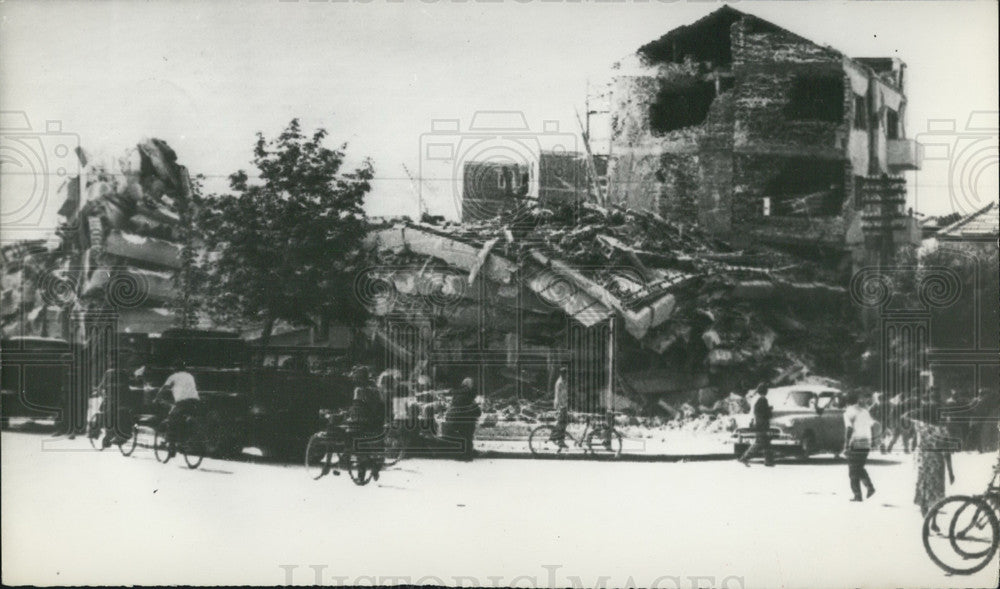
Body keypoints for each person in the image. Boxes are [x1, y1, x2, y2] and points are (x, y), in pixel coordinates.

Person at [908, 390, 956, 520]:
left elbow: (907, 418)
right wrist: (951, 472)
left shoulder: (920, 426)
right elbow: (947, 452)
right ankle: (933, 521)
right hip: (937, 460)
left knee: (924, 489)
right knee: (936, 492)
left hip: (923, 459)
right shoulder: (942, 430)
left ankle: (926, 521)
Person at [344, 365, 386, 480]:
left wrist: (349, 415)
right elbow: (382, 405)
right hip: (376, 421)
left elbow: (357, 406)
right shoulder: (376, 389)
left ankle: (361, 470)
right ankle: (374, 465)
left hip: (362, 421)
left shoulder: (359, 390)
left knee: (354, 440)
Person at [156, 360, 201, 459]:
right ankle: (183, 441)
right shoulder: (190, 376)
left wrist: (157, 397)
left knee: (172, 420)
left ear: (175, 368)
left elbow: (164, 388)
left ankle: (172, 447)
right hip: (195, 402)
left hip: (182, 402)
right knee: (183, 419)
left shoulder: (173, 376)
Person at [94, 363, 138, 448]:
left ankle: (107, 437)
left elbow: (101, 386)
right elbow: (131, 383)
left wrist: (99, 392)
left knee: (107, 415)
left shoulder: (108, 373)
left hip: (112, 400)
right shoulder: (124, 373)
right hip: (124, 400)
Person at [843, 391, 877, 501]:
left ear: (847, 402)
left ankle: (858, 495)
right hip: (866, 442)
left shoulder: (848, 412)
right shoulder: (865, 411)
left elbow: (849, 428)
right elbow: (872, 426)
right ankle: (869, 487)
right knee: (858, 467)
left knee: (853, 470)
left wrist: (846, 444)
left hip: (856, 442)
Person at [442, 377, 481, 461]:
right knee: (468, 436)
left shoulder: (457, 394)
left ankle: (463, 453)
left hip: (455, 419)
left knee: (462, 437)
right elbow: (476, 410)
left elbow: (454, 407)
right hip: (466, 420)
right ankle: (467, 454)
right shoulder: (469, 395)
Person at [739, 383, 774, 467]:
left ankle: (768, 461)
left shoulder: (757, 399)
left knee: (766, 443)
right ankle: (744, 458)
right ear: (765, 391)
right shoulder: (763, 399)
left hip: (759, 423)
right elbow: (762, 413)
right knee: (760, 442)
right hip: (762, 424)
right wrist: (769, 410)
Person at [550, 367, 570, 449]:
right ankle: (558, 439)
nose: (567, 376)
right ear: (563, 374)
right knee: (562, 423)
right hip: (561, 406)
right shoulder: (560, 383)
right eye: (566, 374)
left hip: (563, 405)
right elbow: (558, 396)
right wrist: (561, 407)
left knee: (563, 423)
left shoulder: (563, 381)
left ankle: (560, 439)